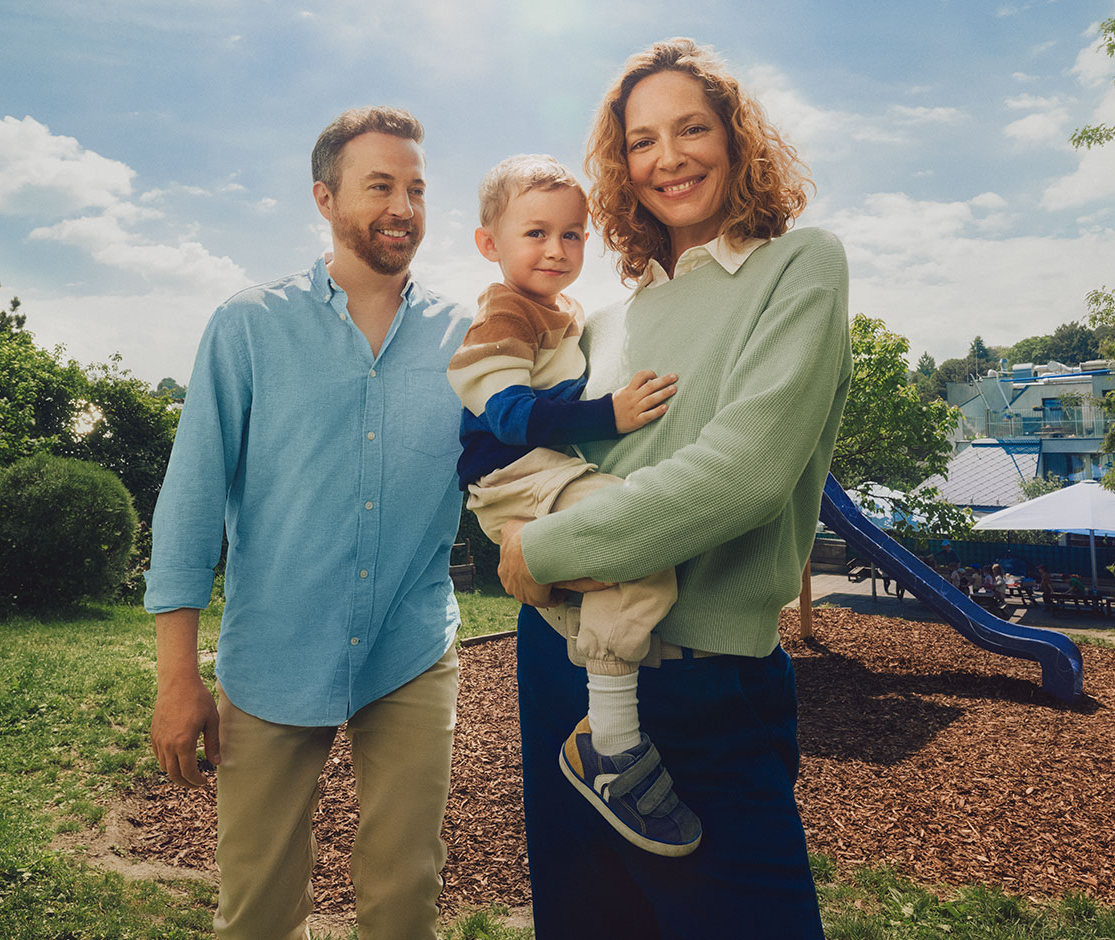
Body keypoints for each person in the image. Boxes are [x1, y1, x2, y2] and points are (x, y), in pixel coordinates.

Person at [496, 38, 851, 939]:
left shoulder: (798, 267)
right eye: (642, 141)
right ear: (622, 168)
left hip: (704, 683)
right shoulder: (608, 318)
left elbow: (744, 474)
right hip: (557, 668)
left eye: (693, 128)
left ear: (737, 140)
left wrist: (542, 548)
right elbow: (556, 462)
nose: (669, 158)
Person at [144, 107, 471, 940]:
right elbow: (189, 502)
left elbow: (519, 467)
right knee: (256, 912)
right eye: (380, 186)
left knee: (405, 906)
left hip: (410, 648)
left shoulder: (469, 340)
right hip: (273, 656)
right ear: (325, 198)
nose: (403, 207)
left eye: (417, 189)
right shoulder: (249, 326)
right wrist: (177, 677)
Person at [448, 154, 698, 856]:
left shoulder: (562, 312)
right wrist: (606, 415)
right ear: (489, 244)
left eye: (573, 235)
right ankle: (610, 743)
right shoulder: (504, 312)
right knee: (640, 542)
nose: (557, 250)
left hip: (543, 474)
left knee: (624, 560)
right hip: (515, 476)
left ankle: (564, 605)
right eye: (535, 234)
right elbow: (510, 417)